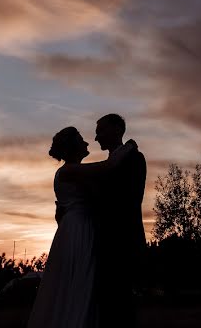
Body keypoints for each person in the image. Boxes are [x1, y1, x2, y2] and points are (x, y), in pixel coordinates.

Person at [27, 126, 137, 328]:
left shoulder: (74, 172)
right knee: (83, 276)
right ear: (74, 146)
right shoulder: (69, 170)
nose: (87, 143)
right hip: (79, 228)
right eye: (82, 140)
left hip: (75, 227)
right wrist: (127, 148)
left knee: (80, 279)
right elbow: (108, 167)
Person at [93, 113, 147, 328]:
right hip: (106, 240)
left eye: (100, 131)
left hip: (121, 240)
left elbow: (128, 200)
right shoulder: (115, 159)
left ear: (117, 130)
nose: (96, 138)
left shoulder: (133, 158)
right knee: (109, 303)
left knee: (120, 304)